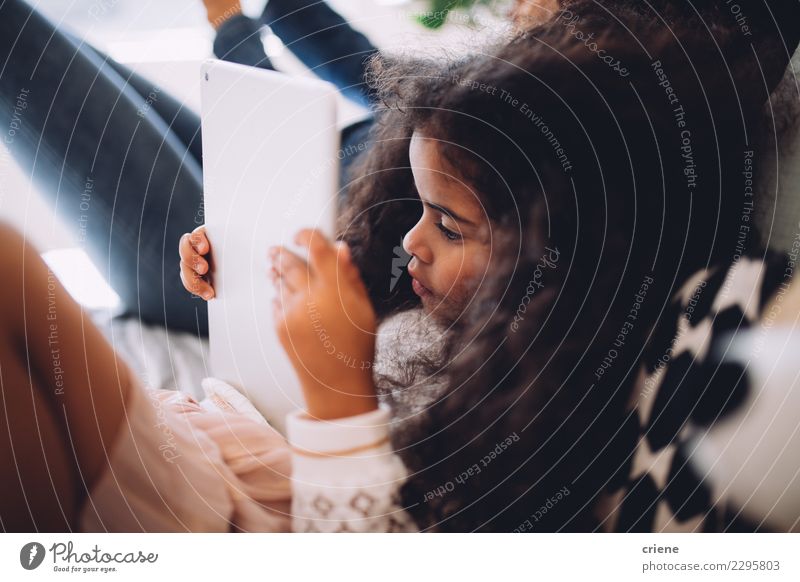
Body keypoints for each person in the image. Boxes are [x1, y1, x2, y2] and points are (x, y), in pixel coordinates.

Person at [4, 1, 799, 532]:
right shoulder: (458, 185)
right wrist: (251, 264)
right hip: (245, 421)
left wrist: (337, 391)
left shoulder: (550, 423)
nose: (414, 242)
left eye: (447, 225)